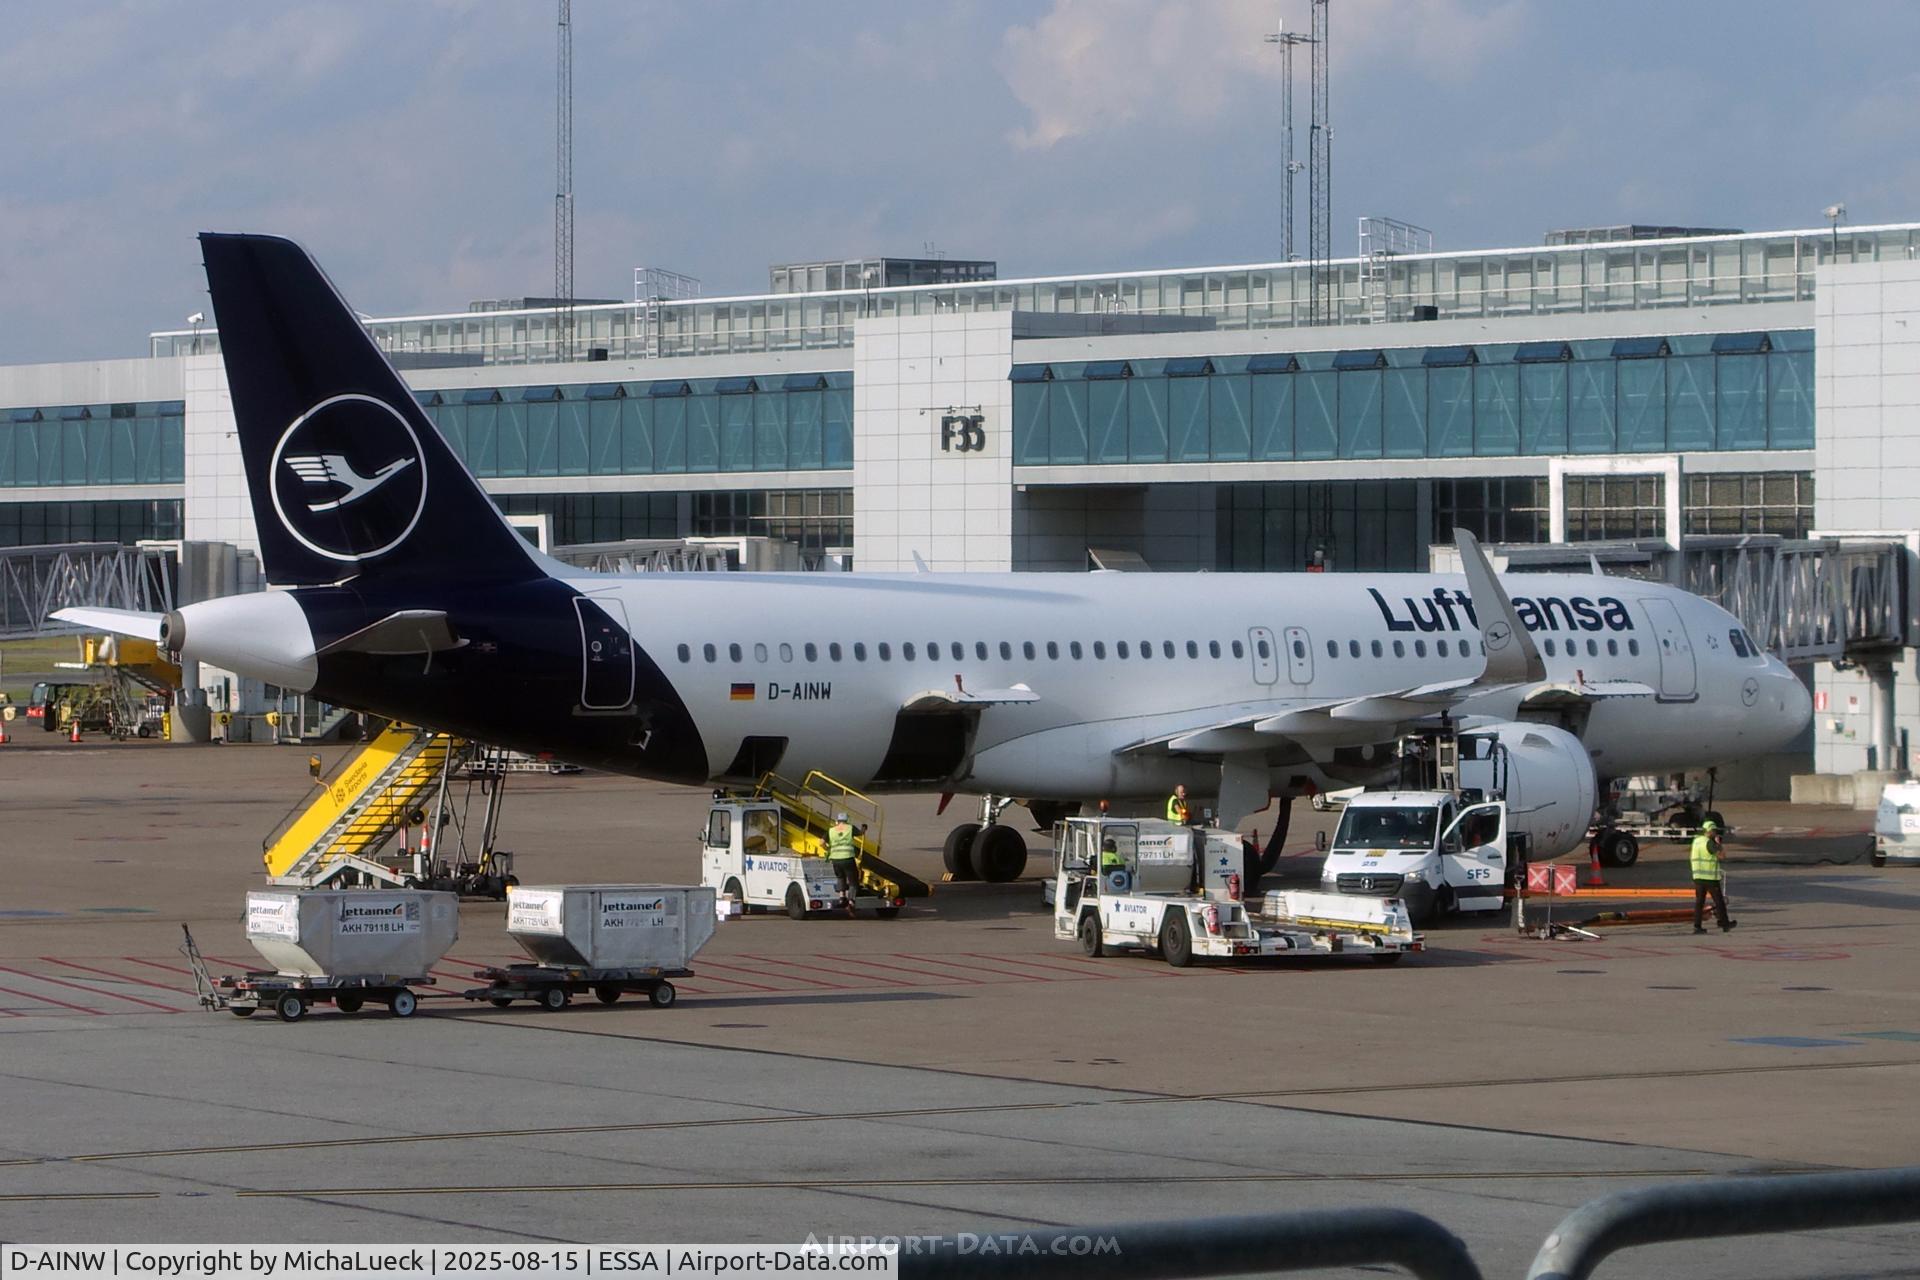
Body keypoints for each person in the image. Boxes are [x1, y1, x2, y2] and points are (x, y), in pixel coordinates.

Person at [1690, 819, 1737, 934]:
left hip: (1698, 877)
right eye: (1714, 831)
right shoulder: (1709, 843)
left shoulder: (1696, 841)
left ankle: (1697, 926)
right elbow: (1722, 856)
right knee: (1719, 902)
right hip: (1710, 878)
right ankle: (1724, 923)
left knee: (1699, 902)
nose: (1715, 833)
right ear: (1710, 831)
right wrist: (1718, 844)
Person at [827, 811, 859, 911]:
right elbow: (860, 833)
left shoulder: (831, 830)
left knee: (840, 877)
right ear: (847, 820)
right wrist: (864, 828)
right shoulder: (850, 828)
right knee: (853, 880)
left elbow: (821, 842)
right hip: (848, 858)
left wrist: (828, 849)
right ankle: (851, 901)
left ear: (837, 821)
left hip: (835, 859)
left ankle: (842, 898)